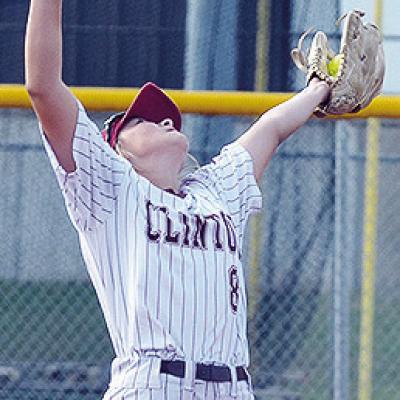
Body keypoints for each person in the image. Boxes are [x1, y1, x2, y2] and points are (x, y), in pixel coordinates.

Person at [24, 1, 330, 399]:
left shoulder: (214, 191)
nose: (166, 120)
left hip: (233, 388)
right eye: (144, 120)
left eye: (167, 118)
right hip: (154, 383)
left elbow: (270, 128)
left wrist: (320, 88)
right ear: (118, 151)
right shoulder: (111, 188)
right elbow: (42, 87)